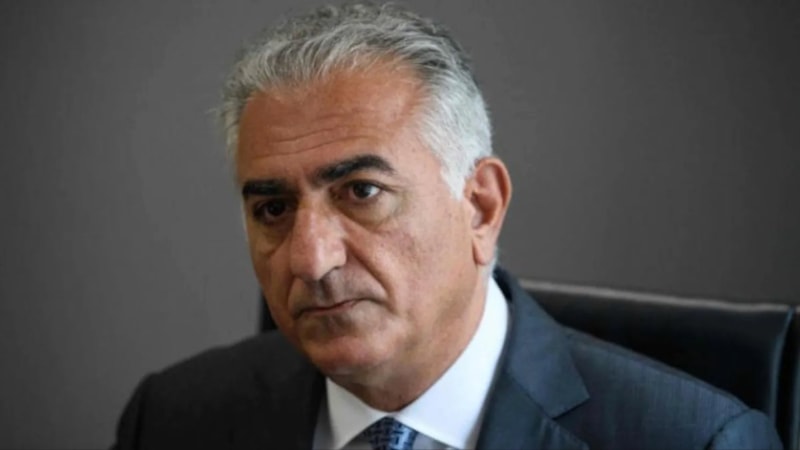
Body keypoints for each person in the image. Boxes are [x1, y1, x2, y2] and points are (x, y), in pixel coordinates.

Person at [113, 3, 782, 449]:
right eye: (273, 209)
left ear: (481, 207)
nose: (310, 260)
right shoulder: (173, 420)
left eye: (363, 192)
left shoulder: (693, 441)